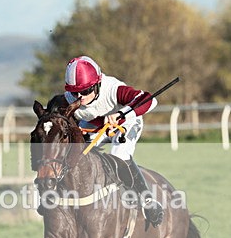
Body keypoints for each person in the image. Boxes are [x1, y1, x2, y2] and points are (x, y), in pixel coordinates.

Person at [63, 56, 164, 226]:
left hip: (127, 123)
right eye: (75, 92)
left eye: (86, 91)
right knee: (74, 154)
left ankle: (148, 201)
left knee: (119, 155)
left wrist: (119, 115)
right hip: (98, 125)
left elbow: (150, 100)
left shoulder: (112, 88)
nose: (80, 96)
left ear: (97, 83)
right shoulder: (68, 98)